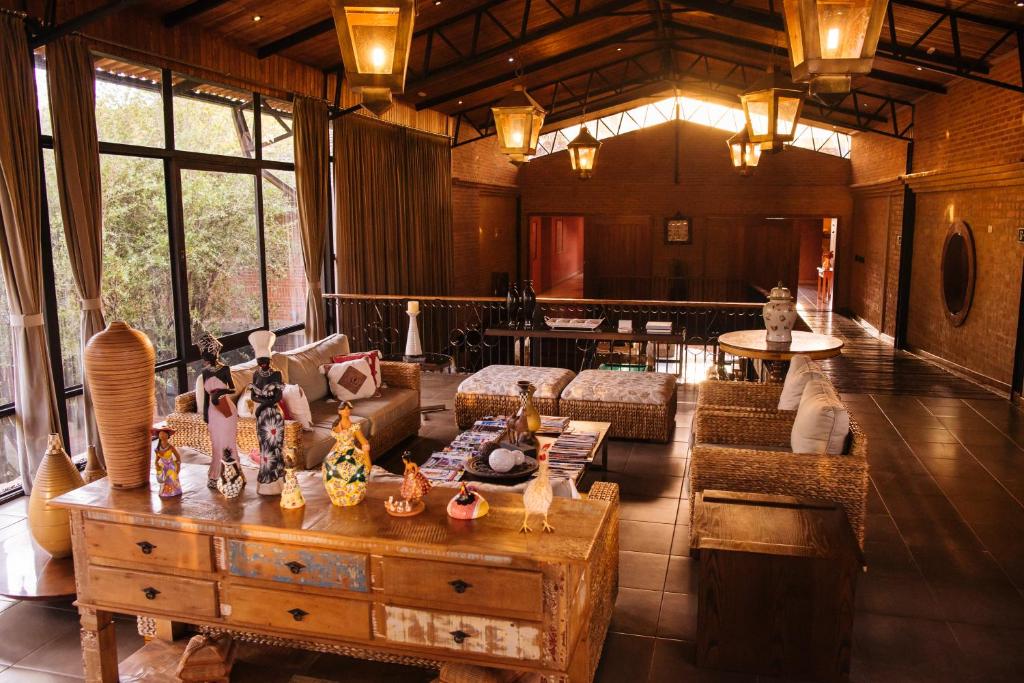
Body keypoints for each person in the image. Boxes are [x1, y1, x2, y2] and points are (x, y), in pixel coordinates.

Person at [197, 332, 238, 489]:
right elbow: (207, 398)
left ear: (214, 354)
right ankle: (215, 475)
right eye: (204, 356)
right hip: (213, 413)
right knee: (216, 444)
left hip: (227, 411)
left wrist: (221, 392)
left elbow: (233, 389)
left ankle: (232, 474)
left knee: (227, 442)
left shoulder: (225, 369)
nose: (205, 359)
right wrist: (206, 415)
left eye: (207, 355)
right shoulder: (205, 372)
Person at [249, 330, 285, 495]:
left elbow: (278, 396)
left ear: (270, 359)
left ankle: (277, 479)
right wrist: (261, 406)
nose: (262, 363)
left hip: (273, 416)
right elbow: (253, 395)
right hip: (261, 418)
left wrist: (262, 406)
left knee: (275, 447)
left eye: (265, 360)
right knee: (264, 448)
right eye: (260, 360)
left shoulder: (277, 374)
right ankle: (266, 480)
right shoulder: (255, 375)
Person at [152, 423, 181, 498]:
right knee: (164, 480)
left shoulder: (171, 447)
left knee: (171, 478)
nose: (162, 435)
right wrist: (156, 463)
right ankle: (165, 491)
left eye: (164, 434)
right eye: (160, 434)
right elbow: (157, 457)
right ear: (158, 436)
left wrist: (178, 465)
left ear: (168, 436)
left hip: (170, 466)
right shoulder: (158, 448)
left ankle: (173, 491)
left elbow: (178, 457)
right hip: (163, 466)